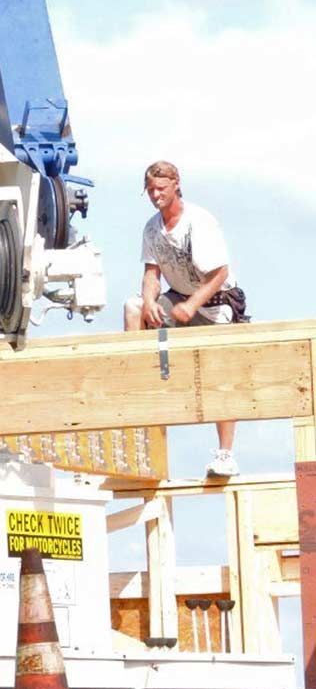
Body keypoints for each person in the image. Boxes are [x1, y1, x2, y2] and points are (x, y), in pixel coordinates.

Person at [123, 161, 247, 477]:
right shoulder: (152, 228)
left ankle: (225, 454)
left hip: (215, 303)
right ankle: (141, 410)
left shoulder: (199, 222)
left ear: (176, 184)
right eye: (150, 191)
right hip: (179, 298)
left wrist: (192, 306)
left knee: (219, 376)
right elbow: (151, 272)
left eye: (160, 189)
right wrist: (151, 300)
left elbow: (221, 273)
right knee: (133, 308)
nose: (155, 196)